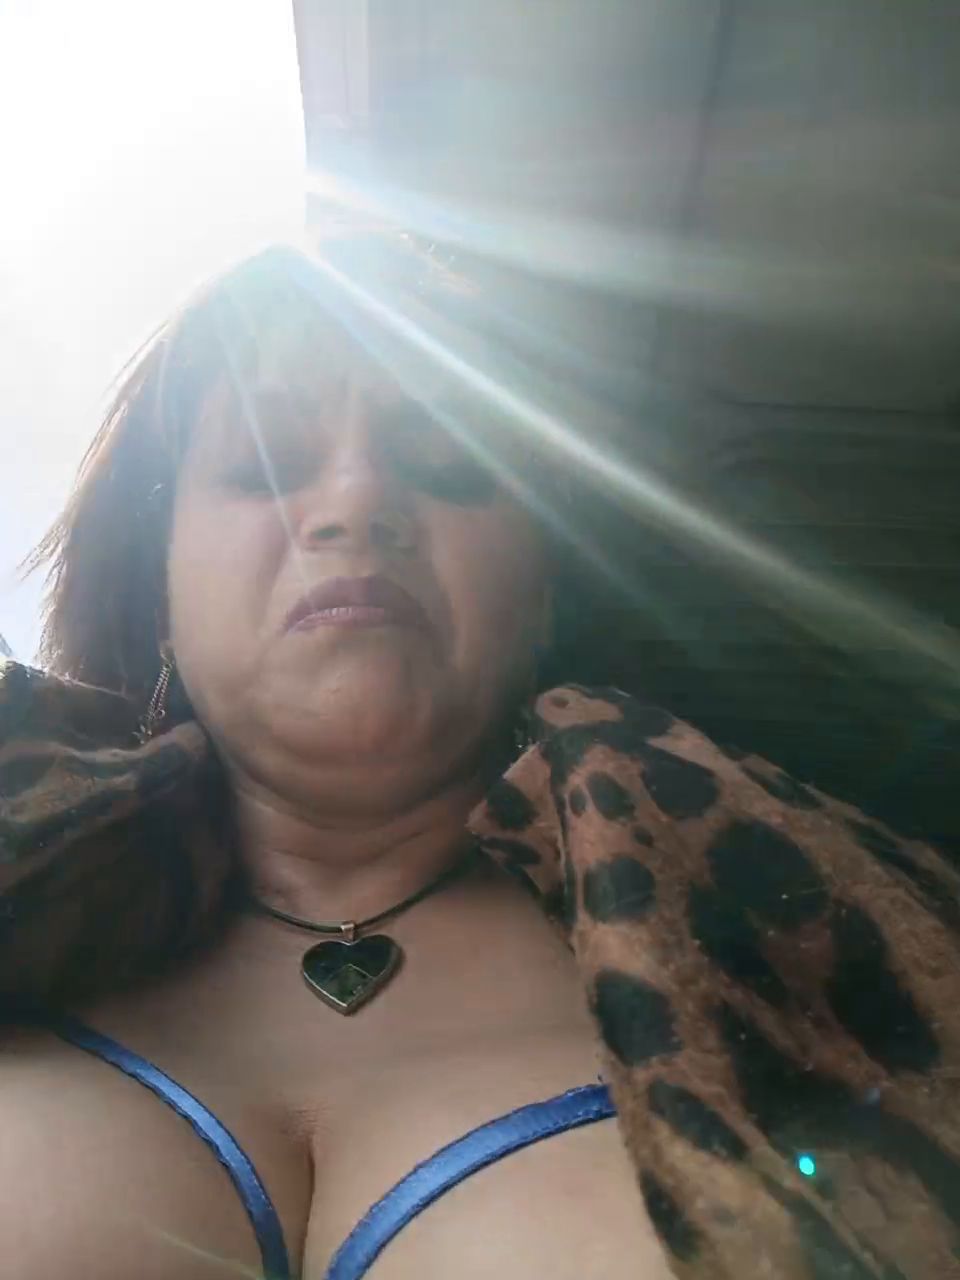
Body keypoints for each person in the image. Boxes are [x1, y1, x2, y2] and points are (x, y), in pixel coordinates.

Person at [1, 239, 959, 1280]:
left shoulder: (806, 935)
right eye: (265, 462)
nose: (357, 500)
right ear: (160, 595)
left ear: (542, 596)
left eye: (445, 459)